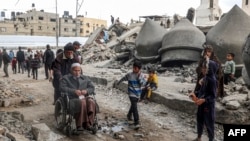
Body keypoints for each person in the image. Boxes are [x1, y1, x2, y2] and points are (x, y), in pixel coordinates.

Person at [60, 63, 96, 131]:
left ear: (81, 70)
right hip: (71, 98)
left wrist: (86, 91)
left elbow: (92, 87)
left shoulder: (85, 78)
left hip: (84, 97)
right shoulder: (66, 78)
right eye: (75, 70)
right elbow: (62, 88)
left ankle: (90, 122)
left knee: (91, 101)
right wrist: (74, 91)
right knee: (82, 102)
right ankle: (81, 124)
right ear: (71, 70)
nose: (77, 72)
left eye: (78, 70)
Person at [189, 60, 218, 141]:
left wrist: (204, 100)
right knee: (200, 120)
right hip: (201, 104)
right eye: (203, 68)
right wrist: (195, 94)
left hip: (208, 106)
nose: (203, 70)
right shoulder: (205, 78)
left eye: (205, 68)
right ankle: (199, 137)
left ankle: (211, 139)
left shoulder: (212, 81)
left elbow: (213, 96)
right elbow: (203, 90)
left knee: (209, 123)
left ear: (210, 69)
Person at [115, 61, 146, 129]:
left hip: (138, 93)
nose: (134, 69)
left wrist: (139, 77)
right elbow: (124, 78)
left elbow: (143, 84)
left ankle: (129, 115)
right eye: (133, 67)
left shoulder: (142, 75)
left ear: (139, 69)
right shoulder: (130, 75)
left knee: (133, 105)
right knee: (135, 107)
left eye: (136, 68)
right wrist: (118, 82)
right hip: (131, 93)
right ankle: (136, 122)